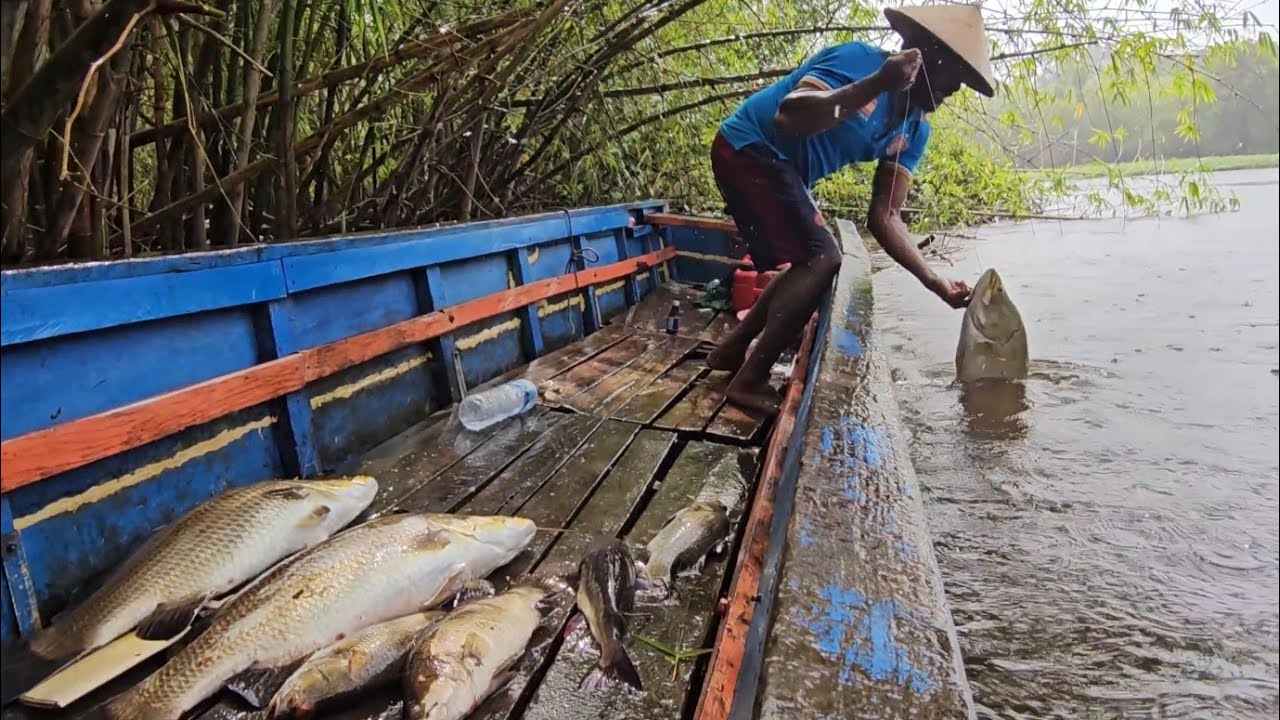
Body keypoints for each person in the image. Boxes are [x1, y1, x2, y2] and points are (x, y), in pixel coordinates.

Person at [705, 4, 998, 414]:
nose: (955, 90)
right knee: (822, 258)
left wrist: (935, 282)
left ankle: (731, 352)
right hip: (748, 147)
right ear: (921, 54)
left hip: (782, 170)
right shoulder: (857, 61)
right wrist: (878, 83)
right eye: (954, 74)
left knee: (810, 258)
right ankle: (748, 381)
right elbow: (790, 117)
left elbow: (885, 215)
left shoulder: (914, 130)